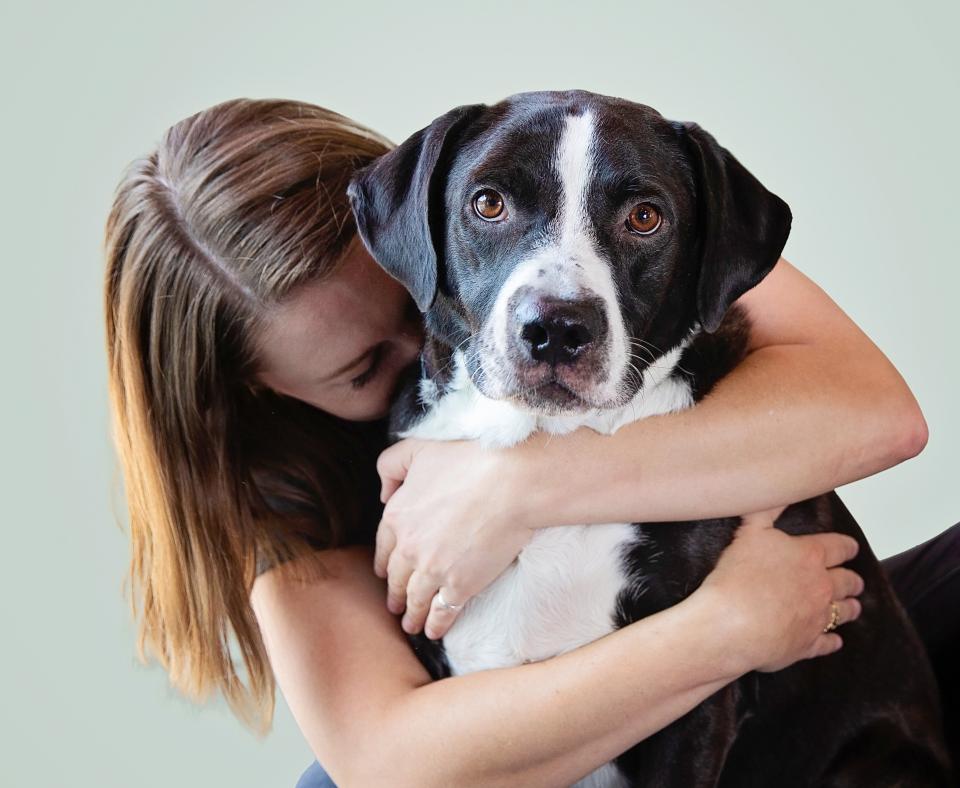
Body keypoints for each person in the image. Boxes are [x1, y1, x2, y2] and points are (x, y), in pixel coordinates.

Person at [103, 98, 956, 787]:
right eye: (366, 368)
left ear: (412, 226)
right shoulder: (278, 503)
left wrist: (519, 485)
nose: (441, 362)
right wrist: (729, 626)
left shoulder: (558, 168)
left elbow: (879, 413)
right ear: (262, 389)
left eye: (421, 303)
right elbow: (394, 761)